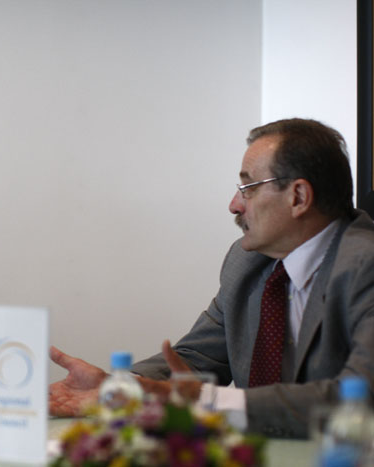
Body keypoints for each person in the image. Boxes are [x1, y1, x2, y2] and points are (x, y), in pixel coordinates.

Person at [49, 118, 374, 438]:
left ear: (298, 197)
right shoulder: (248, 263)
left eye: (247, 188)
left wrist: (207, 400)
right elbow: (195, 359)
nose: (234, 206)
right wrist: (118, 387)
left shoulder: (365, 265)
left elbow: (359, 397)